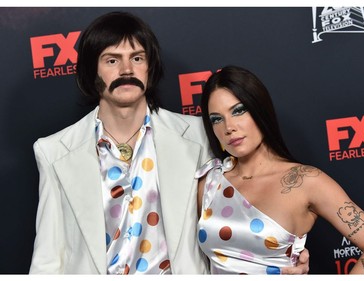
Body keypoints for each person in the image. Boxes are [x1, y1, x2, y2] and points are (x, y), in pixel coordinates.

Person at [29, 12, 309, 274]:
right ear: (92, 72)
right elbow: (48, 257)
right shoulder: (54, 151)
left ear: (150, 67)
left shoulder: (201, 135)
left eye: (137, 58)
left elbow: (244, 202)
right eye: (112, 60)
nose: (127, 69)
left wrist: (276, 260)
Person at [196, 65, 364, 274]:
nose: (228, 126)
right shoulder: (209, 183)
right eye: (216, 119)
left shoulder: (306, 181)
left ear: (259, 109)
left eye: (238, 110)